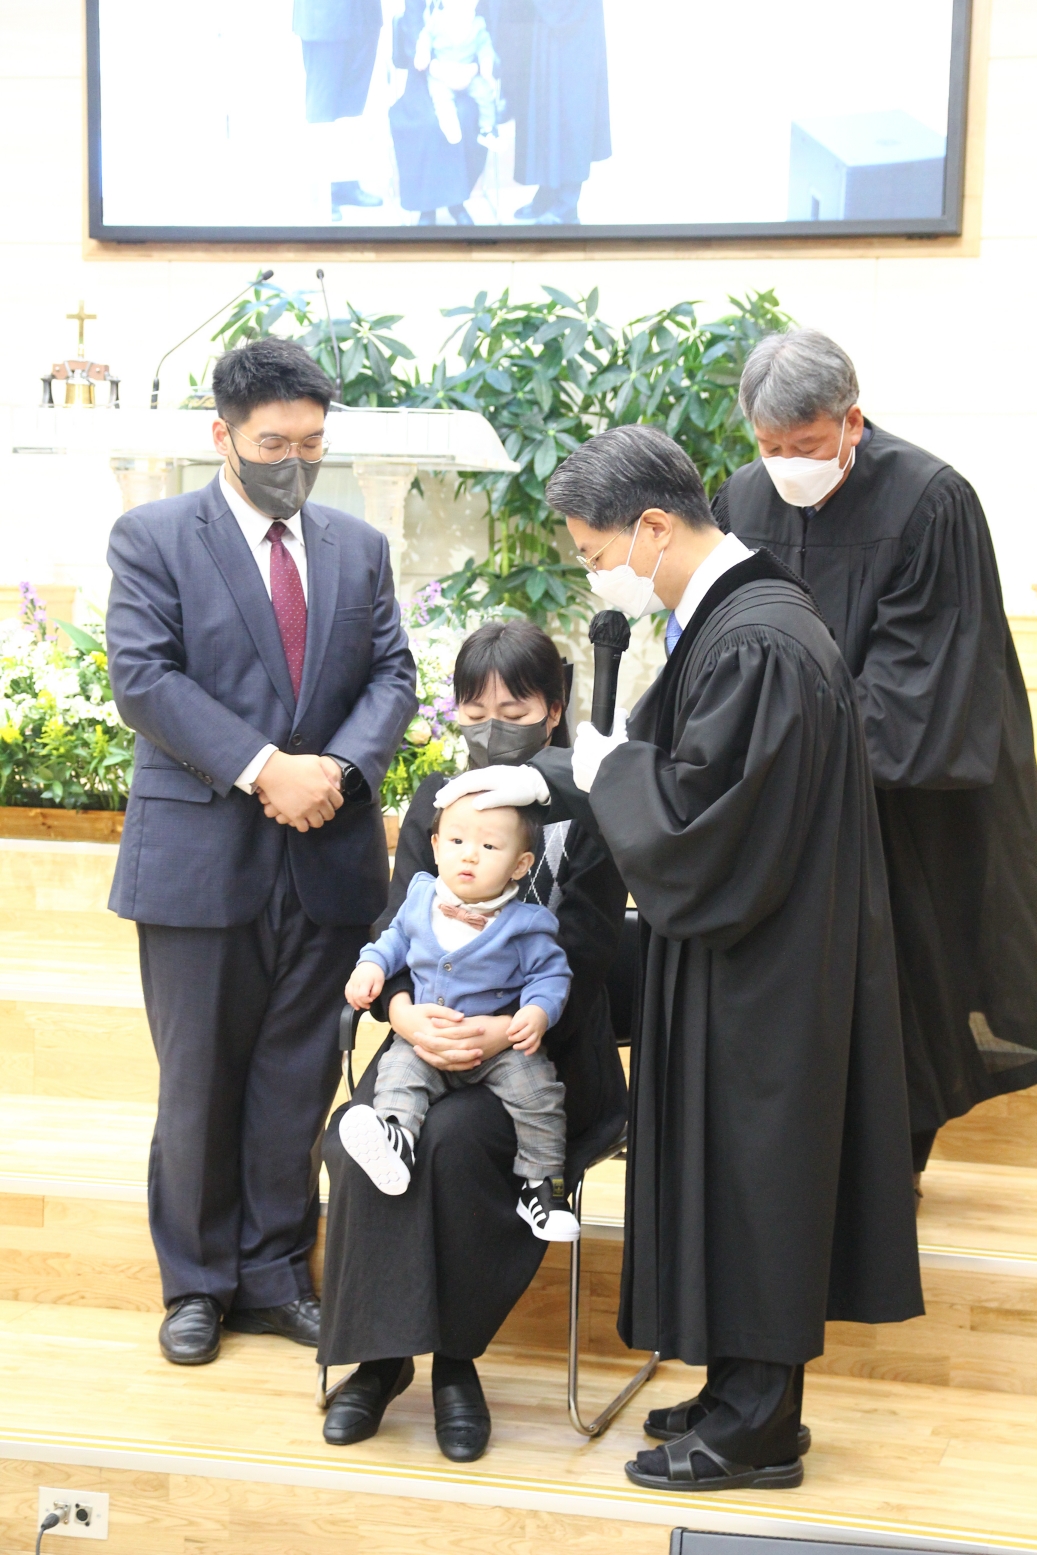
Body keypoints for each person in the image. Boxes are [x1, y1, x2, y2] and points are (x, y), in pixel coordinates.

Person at [443, 426, 923, 1491]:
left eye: (593, 551)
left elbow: (707, 817)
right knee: (732, 1174)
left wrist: (608, 775)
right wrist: (562, 778)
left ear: (652, 528)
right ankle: (737, 1389)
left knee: (759, 1180)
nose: (593, 571)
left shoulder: (758, 639)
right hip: (743, 955)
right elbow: (671, 765)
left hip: (764, 971)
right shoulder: (735, 617)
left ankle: (758, 1428)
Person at [105, 337, 416, 1367]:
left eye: (311, 444)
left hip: (326, 853)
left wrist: (337, 770)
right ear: (223, 435)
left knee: (297, 1078)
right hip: (200, 855)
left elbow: (393, 674)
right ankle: (197, 1282)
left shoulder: (356, 546)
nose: (295, 462)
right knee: (199, 1081)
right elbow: (144, 678)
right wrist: (262, 767)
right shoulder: (153, 537)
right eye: (274, 443)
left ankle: (278, 1271)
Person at [716, 329, 1037, 1194]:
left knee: (898, 986)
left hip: (896, 800)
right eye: (769, 445)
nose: (786, 464)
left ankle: (891, 1171)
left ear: (851, 421)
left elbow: (920, 676)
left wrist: (793, 752)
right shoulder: (741, 497)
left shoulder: (929, 499)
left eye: (806, 443)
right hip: (782, 796)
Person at [317, 618, 627, 1462]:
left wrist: (500, 1029)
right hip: (427, 1038)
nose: (493, 728)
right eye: (476, 710)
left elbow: (587, 949)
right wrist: (404, 1014)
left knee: (453, 1142)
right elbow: (394, 928)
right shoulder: (438, 802)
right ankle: (380, 1360)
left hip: (538, 1053)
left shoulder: (589, 807)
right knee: (359, 1139)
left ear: (553, 710)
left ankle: (454, 1361)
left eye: (514, 711)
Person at [342, 789, 581, 1242]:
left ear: (520, 865)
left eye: (489, 846)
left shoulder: (527, 924)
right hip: (424, 1039)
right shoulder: (420, 898)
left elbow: (551, 975)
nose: (469, 855)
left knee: (539, 1096)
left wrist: (536, 1011)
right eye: (456, 842)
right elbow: (393, 942)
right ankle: (396, 1139)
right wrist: (370, 967)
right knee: (398, 1076)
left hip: (500, 1047)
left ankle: (542, 1187)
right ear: (435, 847)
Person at [488, 0, 611, 225]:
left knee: (572, 108)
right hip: (543, 22)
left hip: (576, 23)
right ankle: (548, 193)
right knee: (544, 107)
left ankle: (567, 205)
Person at [389, 0, 489, 225]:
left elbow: (487, 38)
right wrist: (438, 70)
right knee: (427, 122)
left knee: (466, 116)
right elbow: (414, 37)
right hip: (423, 77)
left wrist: (472, 69)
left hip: (466, 76)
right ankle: (427, 207)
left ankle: (457, 201)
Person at [292, 0, 384, 218]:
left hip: (364, 14)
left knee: (353, 105)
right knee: (322, 107)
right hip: (323, 15)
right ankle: (322, 191)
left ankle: (346, 184)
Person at [414, 0, 499, 148]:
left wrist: (486, 63)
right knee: (441, 96)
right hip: (441, 72)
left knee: (484, 92)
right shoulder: (437, 20)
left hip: (468, 72)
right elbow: (425, 37)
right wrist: (423, 54)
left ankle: (486, 129)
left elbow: (485, 46)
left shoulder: (478, 24)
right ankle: (449, 124)